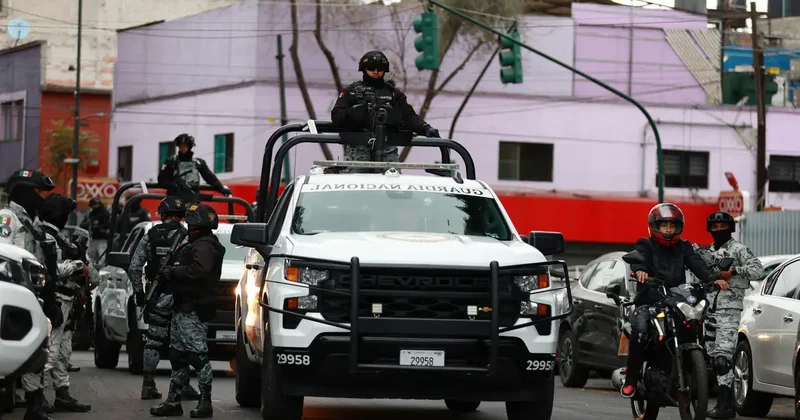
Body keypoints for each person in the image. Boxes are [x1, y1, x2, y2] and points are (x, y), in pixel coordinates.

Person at [620, 203, 730, 399]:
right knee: (641, 331)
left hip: (676, 299)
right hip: (650, 299)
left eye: (672, 226)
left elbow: (697, 264)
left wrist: (713, 278)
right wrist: (640, 270)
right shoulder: (645, 244)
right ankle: (631, 377)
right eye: (664, 226)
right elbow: (639, 259)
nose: (669, 230)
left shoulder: (684, 247)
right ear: (655, 227)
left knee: (692, 325)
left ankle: (688, 373)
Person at [150, 203, 225, 418]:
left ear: (196, 224)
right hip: (183, 307)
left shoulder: (204, 245)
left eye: (191, 223)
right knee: (178, 355)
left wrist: (174, 271)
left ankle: (205, 403)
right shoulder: (196, 243)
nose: (188, 226)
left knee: (198, 356)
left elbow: (200, 271)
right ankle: (174, 401)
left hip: (193, 308)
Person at [128, 197, 201, 401]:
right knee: (182, 341)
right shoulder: (187, 236)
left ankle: (148, 385)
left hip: (157, 294)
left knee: (153, 340)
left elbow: (134, 267)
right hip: (181, 295)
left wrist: (139, 292)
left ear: (162, 214)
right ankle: (182, 385)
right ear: (182, 216)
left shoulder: (150, 235)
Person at [0, 169, 59, 420]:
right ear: (24, 192)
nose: (42, 198)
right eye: (39, 192)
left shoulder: (32, 221)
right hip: (13, 295)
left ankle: (34, 406)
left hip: (34, 292)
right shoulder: (8, 218)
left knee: (37, 346)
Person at [693, 211, 763, 419]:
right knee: (714, 358)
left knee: (723, 358)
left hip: (729, 310)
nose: (719, 230)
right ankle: (721, 402)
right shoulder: (707, 252)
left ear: (730, 228)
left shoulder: (738, 249)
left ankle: (726, 406)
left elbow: (758, 270)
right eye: (715, 227)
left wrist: (733, 271)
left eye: (722, 226)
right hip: (709, 310)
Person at [331, 50, 441, 166]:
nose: (376, 72)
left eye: (379, 69)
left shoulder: (393, 94)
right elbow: (336, 115)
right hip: (358, 146)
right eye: (371, 68)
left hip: (387, 147)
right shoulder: (352, 91)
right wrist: (352, 113)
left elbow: (409, 116)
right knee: (356, 175)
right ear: (364, 69)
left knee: (391, 175)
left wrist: (425, 128)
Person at [35, 193, 92, 413]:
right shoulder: (45, 236)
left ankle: (62, 393)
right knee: (50, 351)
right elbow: (49, 270)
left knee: (63, 353)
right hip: (55, 299)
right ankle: (37, 396)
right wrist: (77, 266)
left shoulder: (57, 235)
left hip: (68, 299)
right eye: (66, 213)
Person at [157, 133, 231, 203]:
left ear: (189, 147)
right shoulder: (171, 162)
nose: (182, 148)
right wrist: (174, 185)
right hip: (175, 199)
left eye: (185, 146)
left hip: (192, 199)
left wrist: (222, 189)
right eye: (180, 146)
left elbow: (210, 178)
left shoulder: (198, 162)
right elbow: (161, 180)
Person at [81, 197, 111, 263]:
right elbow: (83, 224)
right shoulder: (91, 214)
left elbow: (107, 225)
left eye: (96, 204)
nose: (95, 206)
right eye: (93, 205)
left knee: (101, 256)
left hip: (102, 239)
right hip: (93, 238)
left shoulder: (105, 213)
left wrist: (99, 228)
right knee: (91, 256)